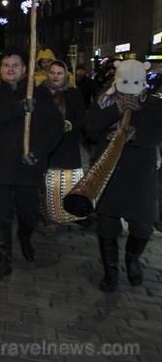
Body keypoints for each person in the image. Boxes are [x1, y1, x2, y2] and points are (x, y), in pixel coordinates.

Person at [0, 47, 64, 280]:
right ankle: (4, 259)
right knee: (1, 215)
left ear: (25, 69)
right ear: (0, 70)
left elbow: (56, 127)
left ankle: (25, 236)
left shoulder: (41, 95)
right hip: (1, 167)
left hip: (29, 166)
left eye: (15, 65)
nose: (10, 69)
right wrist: (19, 108)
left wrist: (37, 152)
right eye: (6, 65)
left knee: (29, 214)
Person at [83, 60, 162, 292]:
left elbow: (158, 132)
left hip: (140, 172)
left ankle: (131, 256)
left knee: (143, 226)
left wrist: (135, 135)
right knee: (107, 226)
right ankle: (111, 272)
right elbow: (90, 126)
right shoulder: (105, 101)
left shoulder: (155, 105)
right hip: (109, 171)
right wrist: (116, 110)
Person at [41, 61, 86, 227]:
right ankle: (47, 214)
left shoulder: (73, 94)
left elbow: (81, 117)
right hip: (45, 143)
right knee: (46, 181)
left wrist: (70, 124)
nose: (55, 76)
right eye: (52, 72)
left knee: (66, 181)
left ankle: (67, 214)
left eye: (59, 73)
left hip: (67, 143)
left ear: (65, 74)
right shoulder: (40, 91)